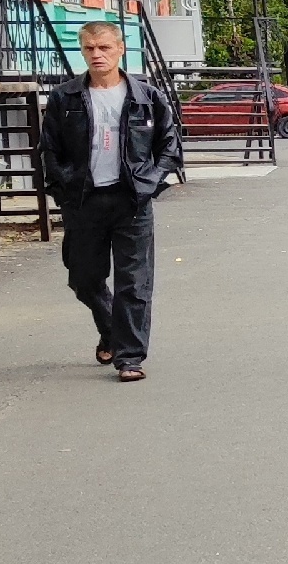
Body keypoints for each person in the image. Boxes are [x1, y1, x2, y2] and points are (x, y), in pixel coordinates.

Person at [39, 20, 184, 381]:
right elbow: (49, 150)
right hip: (84, 202)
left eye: (104, 47)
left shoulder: (145, 96)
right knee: (84, 280)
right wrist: (66, 186)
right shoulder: (65, 97)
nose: (96, 55)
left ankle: (129, 358)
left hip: (131, 201)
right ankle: (112, 331)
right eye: (89, 48)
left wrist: (148, 182)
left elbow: (170, 146)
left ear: (120, 49)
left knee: (134, 283)